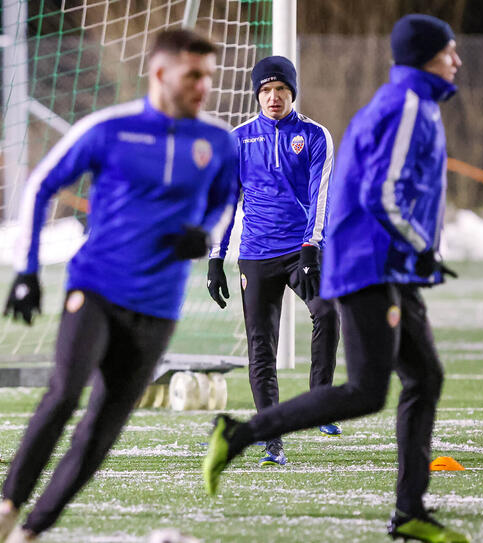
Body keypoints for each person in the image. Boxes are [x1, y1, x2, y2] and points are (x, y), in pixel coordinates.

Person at [202, 14, 468, 543]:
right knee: (364, 387)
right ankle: (248, 433)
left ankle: (409, 510)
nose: (457, 60)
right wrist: (423, 245)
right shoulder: (408, 106)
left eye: (281, 88)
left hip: (358, 258)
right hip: (365, 261)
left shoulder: (380, 114)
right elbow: (382, 192)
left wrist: (315, 245)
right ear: (424, 57)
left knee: (421, 377)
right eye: (449, 51)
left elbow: (343, 190)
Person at [0, 29, 238, 542]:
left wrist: (205, 232)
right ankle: (7, 507)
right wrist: (26, 270)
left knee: (103, 428)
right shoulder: (110, 128)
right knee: (65, 393)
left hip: (159, 307)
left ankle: (32, 530)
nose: (204, 85)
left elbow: (228, 199)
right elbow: (43, 183)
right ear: (160, 73)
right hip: (95, 289)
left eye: (209, 75)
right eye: (193, 75)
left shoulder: (218, 141)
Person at [206, 55, 341, 466]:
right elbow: (225, 204)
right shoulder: (237, 140)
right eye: (265, 90)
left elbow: (321, 197)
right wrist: (216, 258)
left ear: (292, 92)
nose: (273, 97)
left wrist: (311, 247)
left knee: (328, 312)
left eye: (280, 89)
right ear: (257, 96)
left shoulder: (316, 136)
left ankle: (320, 401)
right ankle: (272, 440)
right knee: (260, 347)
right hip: (256, 255)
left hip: (302, 251)